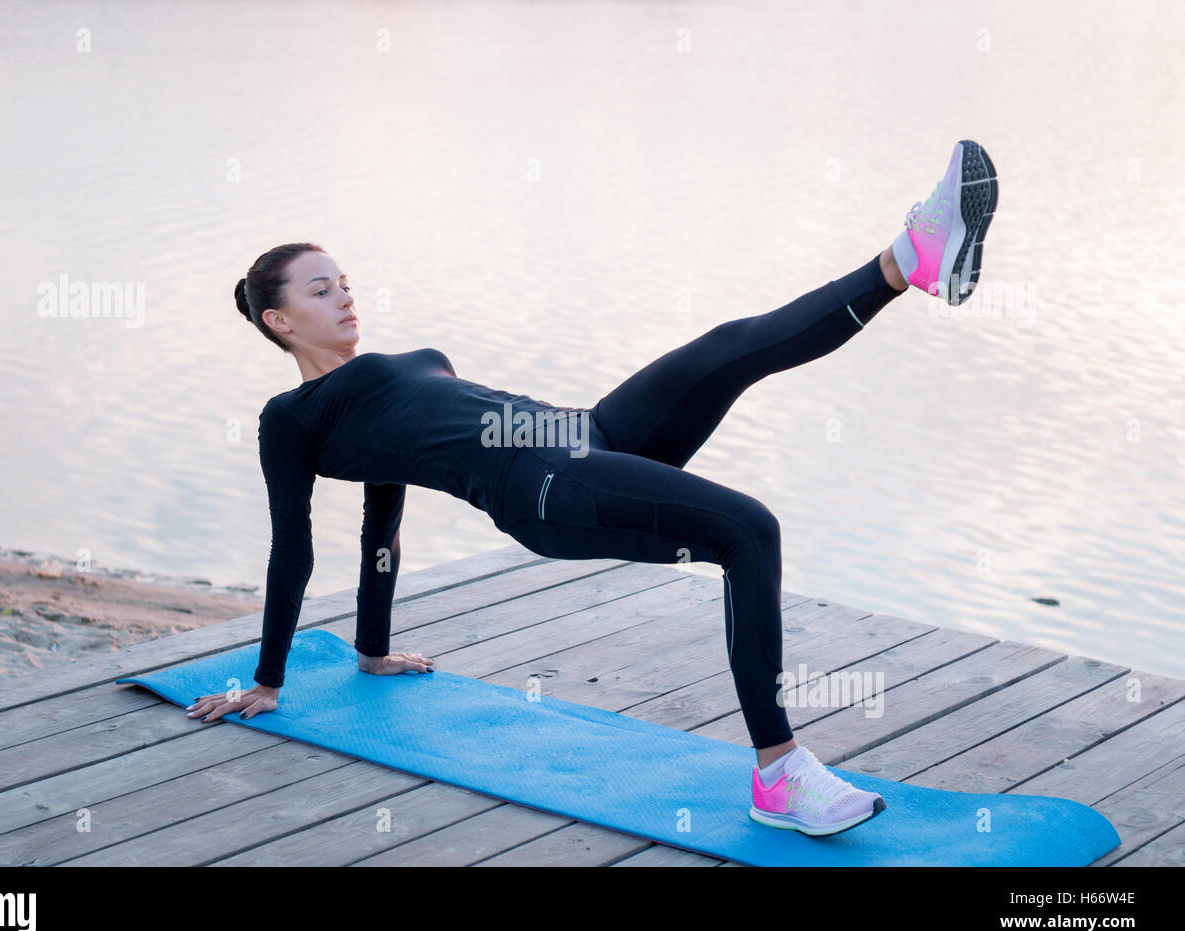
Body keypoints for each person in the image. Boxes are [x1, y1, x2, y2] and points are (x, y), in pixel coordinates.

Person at [188, 139, 998, 837]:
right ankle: (779, 775)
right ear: (279, 322)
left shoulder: (399, 372)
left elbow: (382, 523)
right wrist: (268, 679)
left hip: (584, 431)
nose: (344, 294)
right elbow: (292, 543)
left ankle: (911, 260)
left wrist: (371, 652)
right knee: (748, 530)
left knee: (727, 348)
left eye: (344, 280)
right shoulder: (292, 416)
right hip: (539, 485)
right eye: (320, 289)